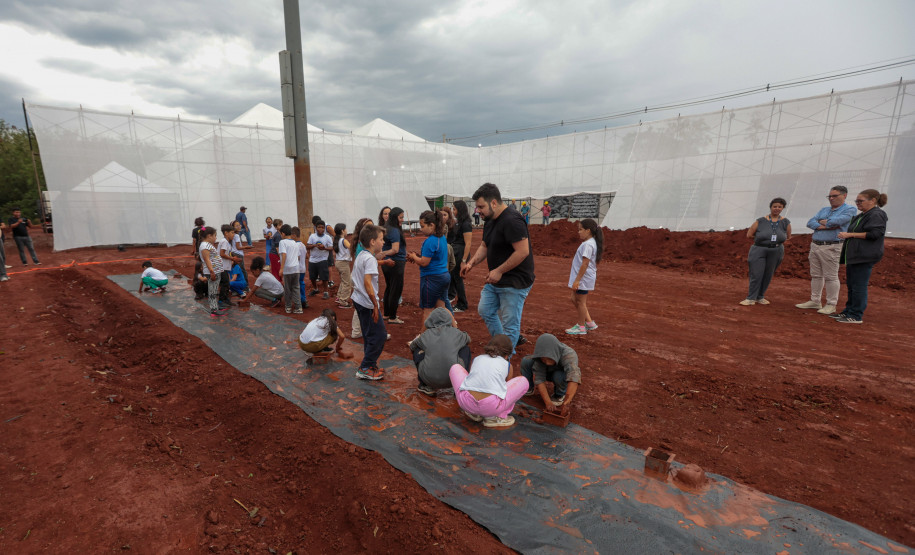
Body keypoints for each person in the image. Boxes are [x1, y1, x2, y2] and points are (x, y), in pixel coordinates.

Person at [460, 183, 535, 351]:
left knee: (510, 324)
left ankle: (505, 357)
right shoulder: (490, 220)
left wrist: (499, 271)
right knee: (485, 310)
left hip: (515, 281)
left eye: (481, 206)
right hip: (496, 279)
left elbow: (522, 252)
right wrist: (471, 263)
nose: (478, 211)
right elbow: (485, 246)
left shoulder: (512, 221)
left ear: (493, 203)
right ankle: (501, 345)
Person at [795, 187, 857, 315]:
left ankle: (831, 304)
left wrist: (825, 223)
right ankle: (815, 300)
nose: (831, 198)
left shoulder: (850, 209)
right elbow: (810, 222)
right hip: (816, 245)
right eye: (829, 196)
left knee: (831, 276)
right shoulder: (824, 210)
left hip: (832, 246)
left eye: (834, 196)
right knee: (816, 275)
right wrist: (825, 225)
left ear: (844, 195)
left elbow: (838, 221)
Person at [834, 189, 889, 324]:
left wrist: (850, 235)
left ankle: (856, 315)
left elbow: (875, 234)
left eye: (860, 201)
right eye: (856, 201)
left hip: (864, 256)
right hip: (855, 256)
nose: (858, 203)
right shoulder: (863, 215)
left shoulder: (877, 214)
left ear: (873, 201)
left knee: (859, 286)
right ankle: (848, 311)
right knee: (852, 285)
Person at [450, 334, 528, 428]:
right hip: (491, 408)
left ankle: (474, 414)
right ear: (507, 355)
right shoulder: (507, 365)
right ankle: (496, 418)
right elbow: (506, 389)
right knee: (524, 381)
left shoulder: (477, 359)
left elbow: (472, 380)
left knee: (455, 367)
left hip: (466, 403)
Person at [407, 210, 454, 334]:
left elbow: (424, 262)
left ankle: (420, 339)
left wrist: (413, 257)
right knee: (442, 307)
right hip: (444, 276)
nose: (421, 229)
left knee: (427, 310)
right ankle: (457, 330)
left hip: (431, 278)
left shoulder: (430, 241)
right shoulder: (442, 238)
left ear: (432, 225)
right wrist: (417, 257)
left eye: (423, 226)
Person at [351, 224, 388, 380]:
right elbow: (367, 282)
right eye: (381, 239)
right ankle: (365, 367)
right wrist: (374, 304)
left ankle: (369, 364)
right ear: (372, 242)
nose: (383, 242)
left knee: (369, 334)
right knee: (380, 335)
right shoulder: (370, 258)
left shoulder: (362, 255)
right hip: (367, 302)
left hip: (359, 300)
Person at [740, 198, 792, 306]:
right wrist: (763, 239)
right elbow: (749, 235)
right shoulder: (760, 221)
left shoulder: (785, 222)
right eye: (775, 206)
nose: (777, 209)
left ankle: (760, 297)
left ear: (782, 208)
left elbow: (788, 236)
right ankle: (751, 298)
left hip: (776, 251)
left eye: (779, 207)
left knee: (768, 274)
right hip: (759, 249)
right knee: (756, 274)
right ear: (770, 207)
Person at [409, 307, 471, 395]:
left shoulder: (425, 335)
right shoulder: (457, 333)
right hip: (453, 380)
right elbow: (468, 339)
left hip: (429, 379)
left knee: (418, 349)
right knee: (465, 348)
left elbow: (412, 347)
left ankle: (425, 385)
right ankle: (461, 386)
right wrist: (455, 330)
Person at [520, 333, 581, 417]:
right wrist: (548, 402)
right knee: (526, 361)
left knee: (558, 376)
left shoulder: (569, 355)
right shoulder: (540, 357)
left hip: (559, 374)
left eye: (549, 358)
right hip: (547, 372)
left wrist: (566, 403)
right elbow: (539, 379)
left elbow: (574, 378)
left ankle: (559, 394)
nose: (546, 362)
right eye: (544, 359)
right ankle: (528, 387)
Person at [565, 218, 603, 335]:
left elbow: (585, 263)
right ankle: (590, 323)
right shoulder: (589, 243)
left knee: (581, 302)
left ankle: (581, 327)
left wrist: (577, 280)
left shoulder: (588, 245)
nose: (579, 232)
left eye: (581, 230)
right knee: (574, 298)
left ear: (588, 231)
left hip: (583, 278)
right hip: (583, 278)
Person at [380, 207, 407, 324]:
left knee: (389, 287)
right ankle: (392, 316)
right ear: (395, 217)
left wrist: (382, 255)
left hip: (387, 263)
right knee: (396, 289)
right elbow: (395, 249)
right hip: (395, 263)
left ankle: (386, 314)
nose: (402, 220)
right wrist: (382, 254)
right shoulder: (395, 230)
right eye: (400, 217)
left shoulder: (385, 227)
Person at [449, 201, 474, 312]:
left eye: (454, 209)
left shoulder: (466, 224)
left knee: (458, 278)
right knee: (454, 277)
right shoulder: (459, 222)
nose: (453, 211)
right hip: (456, 251)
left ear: (460, 209)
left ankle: (462, 304)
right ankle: (455, 299)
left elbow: (468, 243)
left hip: (461, 252)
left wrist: (464, 260)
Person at [198, 226, 227, 317]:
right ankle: (214, 309)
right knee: (213, 291)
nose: (216, 237)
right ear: (209, 236)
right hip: (213, 272)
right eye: (215, 235)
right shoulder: (205, 246)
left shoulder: (207, 245)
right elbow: (207, 260)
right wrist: (212, 272)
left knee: (214, 289)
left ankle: (215, 307)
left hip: (215, 271)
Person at [278, 224, 303, 314]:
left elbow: (284, 254)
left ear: (283, 234)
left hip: (287, 270)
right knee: (296, 288)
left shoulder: (282, 242)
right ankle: (298, 307)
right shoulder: (295, 243)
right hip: (296, 269)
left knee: (287, 289)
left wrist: (281, 268)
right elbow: (298, 257)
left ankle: (288, 307)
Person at [306, 220, 334, 299]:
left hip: (323, 259)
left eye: (322, 227)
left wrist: (324, 248)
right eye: (319, 227)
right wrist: (315, 245)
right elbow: (307, 246)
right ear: (315, 228)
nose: (321, 229)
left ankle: (325, 292)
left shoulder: (327, 237)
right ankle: (315, 289)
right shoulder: (312, 236)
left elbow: (331, 248)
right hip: (312, 260)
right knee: (312, 277)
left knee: (324, 277)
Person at [333, 223, 354, 308]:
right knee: (347, 282)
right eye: (345, 229)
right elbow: (352, 248)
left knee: (343, 281)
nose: (346, 231)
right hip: (343, 263)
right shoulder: (344, 240)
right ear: (342, 230)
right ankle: (343, 301)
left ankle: (339, 297)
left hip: (339, 262)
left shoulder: (337, 240)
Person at [217, 224, 237, 307]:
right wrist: (232, 259)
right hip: (222, 266)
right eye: (232, 233)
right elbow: (222, 254)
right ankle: (222, 300)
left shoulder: (226, 242)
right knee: (225, 283)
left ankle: (224, 299)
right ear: (226, 233)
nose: (233, 234)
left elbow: (226, 253)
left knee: (225, 283)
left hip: (224, 266)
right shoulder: (224, 242)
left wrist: (232, 259)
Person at [292, 227, 310, 310]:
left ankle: (300, 301)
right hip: (303, 268)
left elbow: (297, 257)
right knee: (301, 283)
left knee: (296, 285)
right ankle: (304, 300)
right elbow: (306, 256)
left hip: (297, 268)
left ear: (294, 235)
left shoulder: (295, 245)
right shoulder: (303, 245)